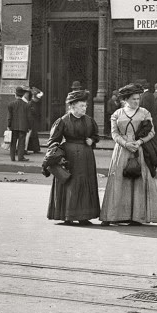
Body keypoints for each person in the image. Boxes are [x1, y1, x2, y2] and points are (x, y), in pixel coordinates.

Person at [100, 84, 157, 226]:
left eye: (138, 98)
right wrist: (125, 143)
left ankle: (136, 216)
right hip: (122, 151)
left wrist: (140, 141)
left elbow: (152, 132)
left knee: (138, 182)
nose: (137, 101)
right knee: (118, 181)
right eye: (134, 99)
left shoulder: (144, 112)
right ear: (126, 99)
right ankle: (113, 215)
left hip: (138, 150)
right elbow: (114, 133)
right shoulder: (117, 114)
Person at [43, 90, 101, 226]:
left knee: (86, 184)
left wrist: (92, 141)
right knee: (70, 184)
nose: (85, 108)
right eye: (82, 106)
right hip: (69, 158)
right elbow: (53, 140)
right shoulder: (62, 121)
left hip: (86, 157)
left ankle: (84, 216)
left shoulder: (89, 120)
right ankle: (67, 215)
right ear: (73, 106)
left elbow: (96, 136)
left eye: (85, 106)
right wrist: (56, 155)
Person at [7, 87, 31, 162]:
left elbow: (9, 116)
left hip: (13, 126)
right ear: (22, 95)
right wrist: (29, 126)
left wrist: (8, 125)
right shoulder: (27, 105)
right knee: (21, 142)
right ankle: (20, 157)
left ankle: (12, 158)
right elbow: (29, 117)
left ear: (15, 94)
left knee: (13, 142)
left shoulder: (11, 104)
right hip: (23, 126)